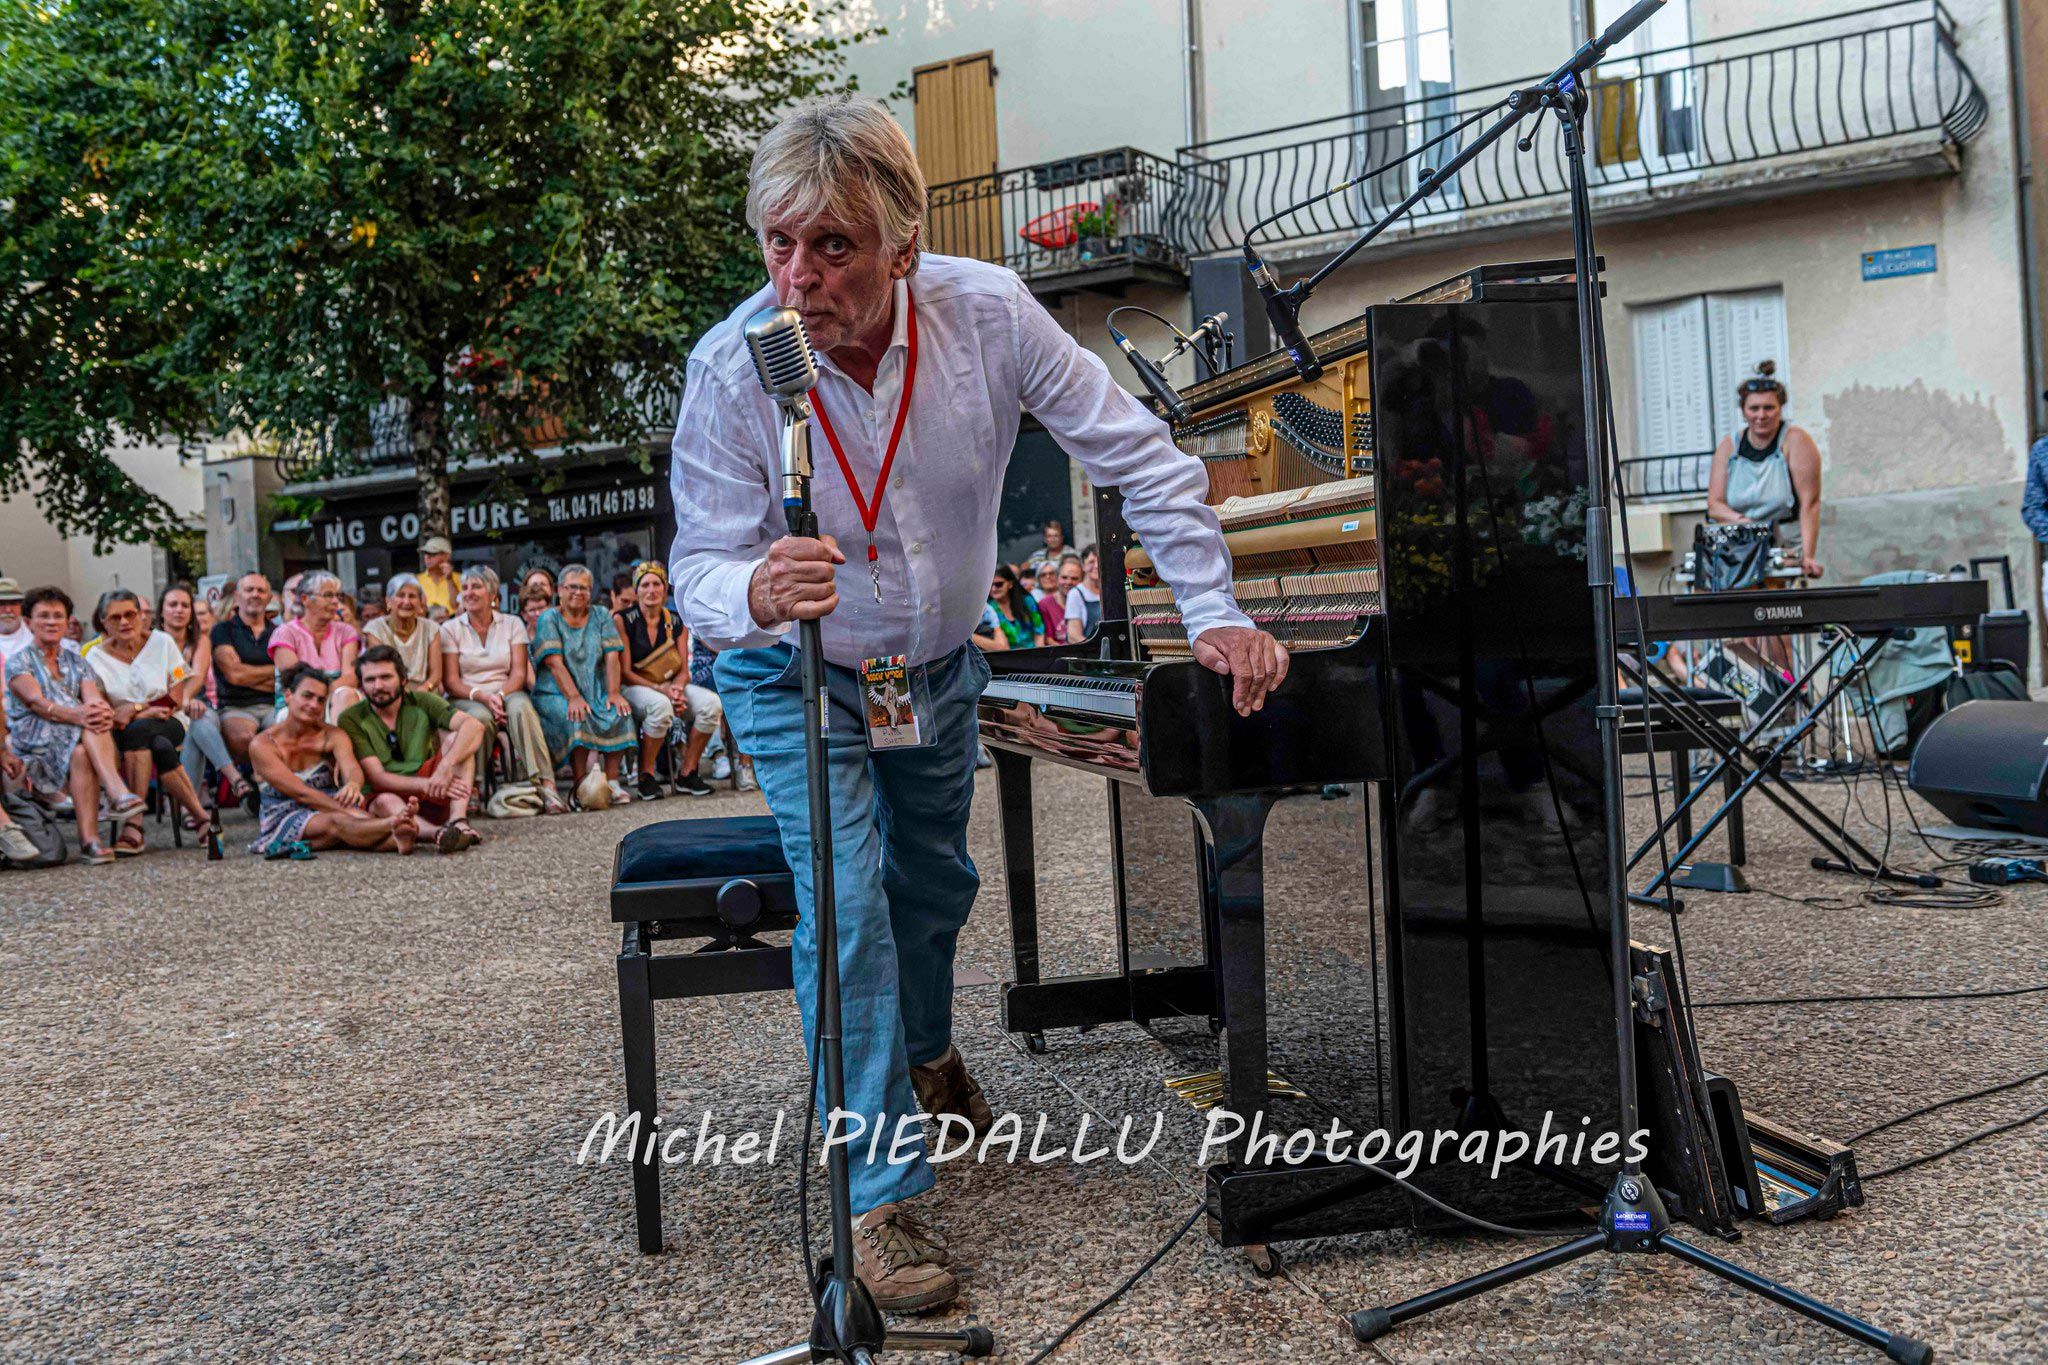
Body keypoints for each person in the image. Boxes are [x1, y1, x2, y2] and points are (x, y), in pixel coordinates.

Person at [668, 96, 1285, 1312]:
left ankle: (926, 1048)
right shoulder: (734, 367)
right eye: (778, 245)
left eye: (833, 246)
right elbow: (697, 566)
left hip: (934, 668)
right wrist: (750, 580)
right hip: (793, 670)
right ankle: (879, 1193)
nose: (799, 278)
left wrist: (1210, 608)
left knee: (934, 886)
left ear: (903, 242)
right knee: (845, 902)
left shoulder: (990, 311)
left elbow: (1139, 459)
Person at [5, 586, 146, 864]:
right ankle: (117, 791)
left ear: (67, 621)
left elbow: (92, 699)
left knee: (83, 748)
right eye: (43, 616)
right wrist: (82, 715)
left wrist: (100, 710)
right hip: (34, 743)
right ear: (29, 622)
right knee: (87, 728)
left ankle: (90, 841)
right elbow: (37, 703)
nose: (51, 622)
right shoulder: (18, 662)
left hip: (74, 740)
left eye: (58, 616)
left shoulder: (77, 661)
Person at [1707, 361, 1822, 674]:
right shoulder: (1730, 445)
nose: (1761, 415)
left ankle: (1791, 700)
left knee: (1775, 625)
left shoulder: (1795, 440)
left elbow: (1809, 503)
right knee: (1741, 630)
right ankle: (1761, 701)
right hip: (1742, 543)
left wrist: (1808, 555)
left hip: (1782, 540)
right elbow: (1715, 504)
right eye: (1754, 408)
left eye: (1769, 408)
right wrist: (1742, 522)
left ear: (1780, 408)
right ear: (1743, 410)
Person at [85, 588, 215, 848]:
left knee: (142, 731)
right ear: (103, 622)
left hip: (170, 719)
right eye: (115, 617)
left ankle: (134, 825)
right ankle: (201, 817)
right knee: (156, 744)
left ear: (142, 616)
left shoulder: (163, 643)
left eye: (130, 614)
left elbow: (176, 696)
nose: (124, 622)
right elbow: (107, 711)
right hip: (122, 729)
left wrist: (134, 709)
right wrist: (141, 712)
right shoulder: (93, 658)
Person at [249, 665, 424, 856]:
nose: (314, 705)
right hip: (285, 813)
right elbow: (302, 794)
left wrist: (353, 784)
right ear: (289, 696)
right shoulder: (262, 745)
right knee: (340, 823)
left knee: (347, 829)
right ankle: (394, 824)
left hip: (332, 804)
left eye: (321, 700)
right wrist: (357, 816)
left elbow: (352, 768)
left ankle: (398, 839)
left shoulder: (332, 735)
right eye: (307, 696)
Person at [442, 565, 568, 814]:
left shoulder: (512, 624)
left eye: (476, 586)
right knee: (478, 718)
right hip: (468, 695)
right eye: (465, 588)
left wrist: (498, 695)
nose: (469, 592)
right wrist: (482, 697)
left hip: (507, 690)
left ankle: (546, 783)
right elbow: (451, 682)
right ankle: (473, 787)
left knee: (522, 708)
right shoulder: (450, 629)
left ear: (492, 595)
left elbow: (519, 673)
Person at [339, 645, 484, 852]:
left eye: (386, 677)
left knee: (457, 740)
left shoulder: (421, 701)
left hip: (434, 788)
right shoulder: (351, 718)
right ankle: (438, 834)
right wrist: (427, 784)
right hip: (388, 795)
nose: (378, 686)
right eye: (370, 680)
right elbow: (377, 777)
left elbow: (474, 726)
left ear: (403, 680)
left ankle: (458, 821)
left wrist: (445, 767)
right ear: (361, 685)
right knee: (385, 800)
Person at [531, 564, 637, 806]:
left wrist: (612, 692)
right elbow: (554, 662)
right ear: (559, 590)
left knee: (619, 710)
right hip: (555, 690)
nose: (578, 592)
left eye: (584, 588)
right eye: (572, 587)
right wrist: (574, 696)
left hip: (596, 685)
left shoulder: (600, 614)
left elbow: (612, 655)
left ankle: (612, 781)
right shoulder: (549, 618)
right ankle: (582, 785)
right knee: (577, 716)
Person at [615, 561, 720, 799]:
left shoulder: (676, 621)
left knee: (711, 704)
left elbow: (684, 669)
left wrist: (677, 690)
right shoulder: (623, 619)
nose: (651, 590)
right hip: (635, 686)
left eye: (657, 584)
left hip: (669, 686)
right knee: (660, 707)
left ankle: (688, 772)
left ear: (664, 589)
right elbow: (625, 672)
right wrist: (662, 690)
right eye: (645, 585)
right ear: (636, 590)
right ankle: (646, 775)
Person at [159, 581, 251, 817]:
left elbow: (197, 675)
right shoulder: (153, 642)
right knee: (194, 724)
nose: (179, 610)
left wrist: (186, 700)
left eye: (184, 605)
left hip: (195, 701)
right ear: (162, 611)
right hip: (161, 705)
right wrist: (181, 703)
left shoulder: (200, 640)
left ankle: (189, 808)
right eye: (173, 605)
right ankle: (233, 779)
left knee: (198, 721)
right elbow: (168, 678)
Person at [269, 570, 363, 719]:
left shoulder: (346, 631)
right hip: (298, 701)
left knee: (346, 695)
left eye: (337, 596)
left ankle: (337, 742)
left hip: (336, 699)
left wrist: (323, 697)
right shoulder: (285, 633)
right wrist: (318, 697)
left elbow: (350, 677)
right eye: (327, 595)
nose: (335, 602)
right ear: (305, 599)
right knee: (310, 703)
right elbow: (295, 680)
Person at [210, 572, 279, 771]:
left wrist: (245, 675)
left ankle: (269, 786)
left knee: (280, 737)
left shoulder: (279, 632)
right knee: (244, 738)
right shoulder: (223, 631)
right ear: (237, 597)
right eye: (249, 590)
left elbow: (287, 674)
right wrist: (273, 671)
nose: (255, 595)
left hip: (273, 703)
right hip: (235, 706)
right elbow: (234, 675)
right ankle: (255, 782)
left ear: (269, 598)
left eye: (261, 590)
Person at [363, 573, 443, 693]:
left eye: (412, 596)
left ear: (420, 602)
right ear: (388, 601)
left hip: (425, 692)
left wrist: (426, 688)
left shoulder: (431, 628)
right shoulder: (375, 630)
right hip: (390, 692)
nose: (406, 601)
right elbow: (382, 670)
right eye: (400, 595)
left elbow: (436, 674)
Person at [985, 564, 1046, 649]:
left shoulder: (1026, 600)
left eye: (998, 584)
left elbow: (1039, 630)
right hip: (1006, 657)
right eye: (990, 585)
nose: (993, 589)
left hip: (1034, 653)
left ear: (1010, 584)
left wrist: (1039, 654)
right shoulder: (987, 609)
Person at [1061, 547, 1102, 643]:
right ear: (1083, 566)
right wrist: (1096, 649)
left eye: (1099, 561)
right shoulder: (1076, 594)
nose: (1096, 566)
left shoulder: (1109, 591)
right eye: (1091, 562)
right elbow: (1073, 636)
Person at [417, 535, 460, 620]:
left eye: (432, 553)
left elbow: (456, 605)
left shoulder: (461, 579)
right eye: (425, 553)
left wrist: (450, 579)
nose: (427, 557)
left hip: (452, 626)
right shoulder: (416, 580)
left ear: (447, 556)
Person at [1031, 561, 1066, 644]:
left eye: (1052, 573)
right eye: (1043, 575)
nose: (1048, 577)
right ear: (1038, 579)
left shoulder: (1067, 593)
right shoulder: (1033, 599)